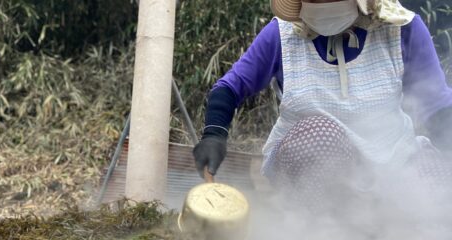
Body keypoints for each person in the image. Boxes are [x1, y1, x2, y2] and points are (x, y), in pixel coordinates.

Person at [193, 0, 452, 209]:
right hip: (313, 168)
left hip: (392, 160)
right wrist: (214, 133)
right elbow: (229, 87)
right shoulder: (283, 34)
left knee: (436, 183)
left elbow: (437, 104)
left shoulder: (401, 28)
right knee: (318, 135)